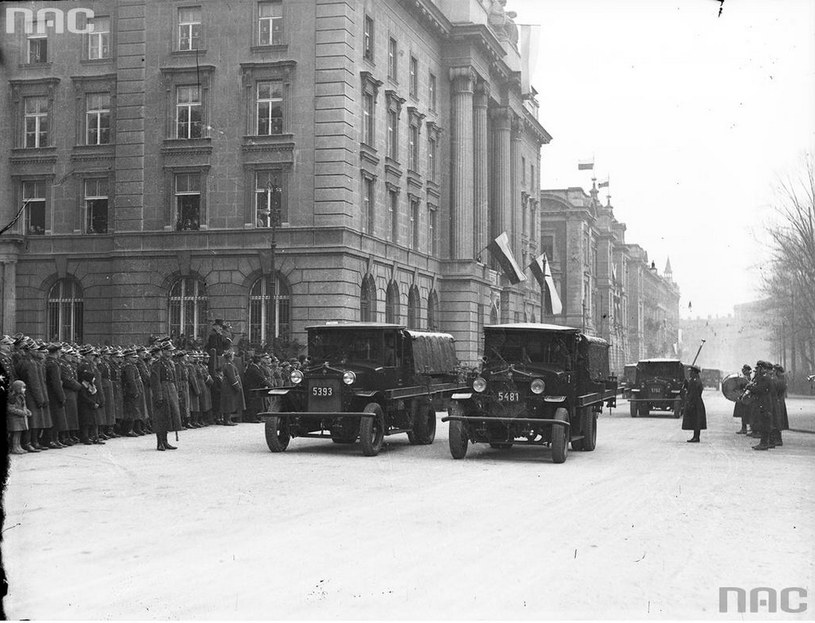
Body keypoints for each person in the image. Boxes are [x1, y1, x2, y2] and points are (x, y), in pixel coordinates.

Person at [150, 340, 181, 451]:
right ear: (163, 351)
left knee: (169, 417)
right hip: (162, 391)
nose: (171, 353)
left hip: (171, 391)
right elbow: (155, 381)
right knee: (161, 417)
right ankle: (159, 443)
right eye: (168, 351)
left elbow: (174, 379)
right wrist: (158, 396)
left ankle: (165, 441)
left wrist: (176, 392)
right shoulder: (157, 363)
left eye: (171, 351)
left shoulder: (171, 363)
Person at [746, 361, 773, 451]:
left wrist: (750, 387)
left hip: (764, 403)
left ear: (762, 368)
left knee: (764, 423)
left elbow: (760, 389)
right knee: (763, 423)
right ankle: (764, 442)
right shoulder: (764, 377)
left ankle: (764, 443)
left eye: (759, 368)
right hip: (764, 403)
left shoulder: (765, 378)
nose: (758, 370)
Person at [681, 365, 707, 442]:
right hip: (696, 402)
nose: (690, 373)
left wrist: (690, 402)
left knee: (696, 420)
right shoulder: (694, 380)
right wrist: (686, 384)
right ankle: (695, 436)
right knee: (695, 420)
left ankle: (696, 437)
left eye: (691, 372)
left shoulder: (695, 381)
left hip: (695, 402)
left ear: (694, 372)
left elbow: (693, 393)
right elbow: (690, 389)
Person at [220, 350, 244, 426]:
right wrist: (237, 386)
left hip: (227, 385)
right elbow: (232, 377)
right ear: (230, 357)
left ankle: (228, 419)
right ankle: (227, 420)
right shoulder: (229, 365)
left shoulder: (228, 364)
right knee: (228, 403)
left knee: (229, 402)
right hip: (229, 386)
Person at [7, 380, 32, 454]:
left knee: (19, 433)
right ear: (18, 388)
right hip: (15, 419)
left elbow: (23, 407)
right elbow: (11, 408)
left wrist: (27, 411)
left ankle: (18, 446)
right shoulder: (13, 398)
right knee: (16, 434)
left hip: (20, 419)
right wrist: (22, 412)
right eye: (23, 388)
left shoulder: (21, 396)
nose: (24, 389)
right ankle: (15, 447)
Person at [733, 364, 752, 434]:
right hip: (743, 397)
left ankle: (744, 428)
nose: (743, 370)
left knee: (745, 414)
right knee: (743, 414)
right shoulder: (745, 377)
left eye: (744, 369)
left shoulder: (746, 378)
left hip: (745, 398)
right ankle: (744, 428)